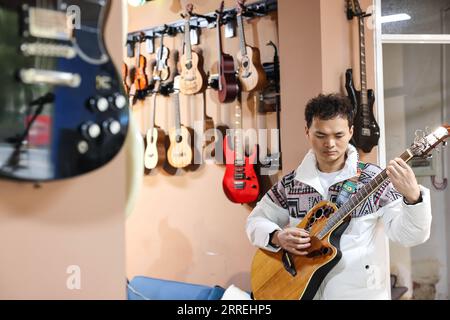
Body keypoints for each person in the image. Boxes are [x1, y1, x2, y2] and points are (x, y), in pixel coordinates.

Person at [246, 93, 432, 299]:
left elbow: (410, 236)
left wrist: (414, 198)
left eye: (339, 135)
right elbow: (256, 220)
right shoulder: (291, 184)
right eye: (321, 135)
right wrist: (277, 236)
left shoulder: (374, 180)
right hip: (300, 291)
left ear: (351, 132)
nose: (330, 144)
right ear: (307, 132)